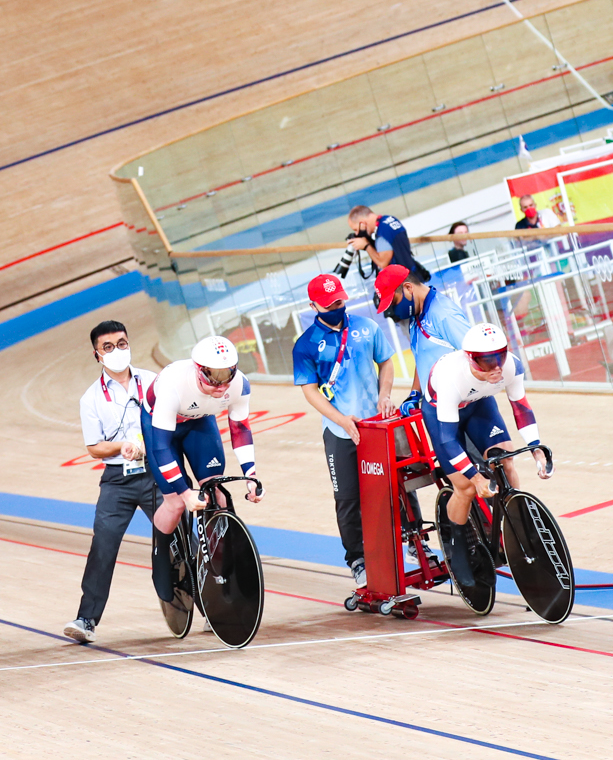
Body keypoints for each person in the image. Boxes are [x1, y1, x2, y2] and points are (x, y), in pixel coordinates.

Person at [63, 321, 167, 645]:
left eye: (122, 343)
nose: (117, 351)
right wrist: (120, 447)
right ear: (97, 355)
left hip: (155, 473)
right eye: (108, 347)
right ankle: (86, 619)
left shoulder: (151, 381)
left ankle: (203, 604)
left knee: (180, 535)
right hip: (117, 480)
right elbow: (94, 447)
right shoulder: (91, 398)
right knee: (103, 544)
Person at [421, 324, 548, 586]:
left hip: (478, 404)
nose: (496, 367)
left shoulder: (511, 366)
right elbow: (447, 439)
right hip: (442, 415)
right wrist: (475, 478)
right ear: (470, 358)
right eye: (487, 361)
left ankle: (518, 525)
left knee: (506, 458)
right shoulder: (451, 379)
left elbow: (522, 408)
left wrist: (536, 447)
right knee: (466, 487)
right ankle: (458, 547)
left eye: (499, 357)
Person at [291, 274, 395, 588]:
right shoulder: (306, 345)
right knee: (348, 499)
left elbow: (387, 361)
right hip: (340, 433)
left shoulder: (367, 326)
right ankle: (358, 560)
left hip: (377, 424)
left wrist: (385, 394)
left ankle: (411, 543)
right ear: (313, 306)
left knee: (397, 485)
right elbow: (310, 391)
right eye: (329, 304)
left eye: (340, 300)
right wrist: (340, 419)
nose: (338, 306)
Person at [146, 336, 263, 534]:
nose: (222, 385)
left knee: (216, 491)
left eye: (227, 376)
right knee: (176, 504)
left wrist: (251, 477)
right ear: (198, 370)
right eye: (214, 378)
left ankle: (219, 556)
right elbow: (161, 447)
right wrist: (185, 493)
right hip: (160, 427)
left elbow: (240, 430)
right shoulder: (173, 384)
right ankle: (162, 559)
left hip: (199, 420)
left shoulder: (240, 384)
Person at [374, 262, 471, 403]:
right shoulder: (415, 317)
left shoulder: (442, 313)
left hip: (462, 403)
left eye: (394, 302)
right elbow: (424, 358)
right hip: (437, 404)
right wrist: (415, 393)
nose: (394, 310)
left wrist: (464, 396)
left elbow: (477, 354)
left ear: (408, 288)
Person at [346, 204, 415, 273]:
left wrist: (366, 246)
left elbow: (382, 263)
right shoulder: (390, 219)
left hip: (404, 278)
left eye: (356, 229)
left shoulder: (382, 233)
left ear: (362, 223)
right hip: (412, 270)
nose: (357, 233)